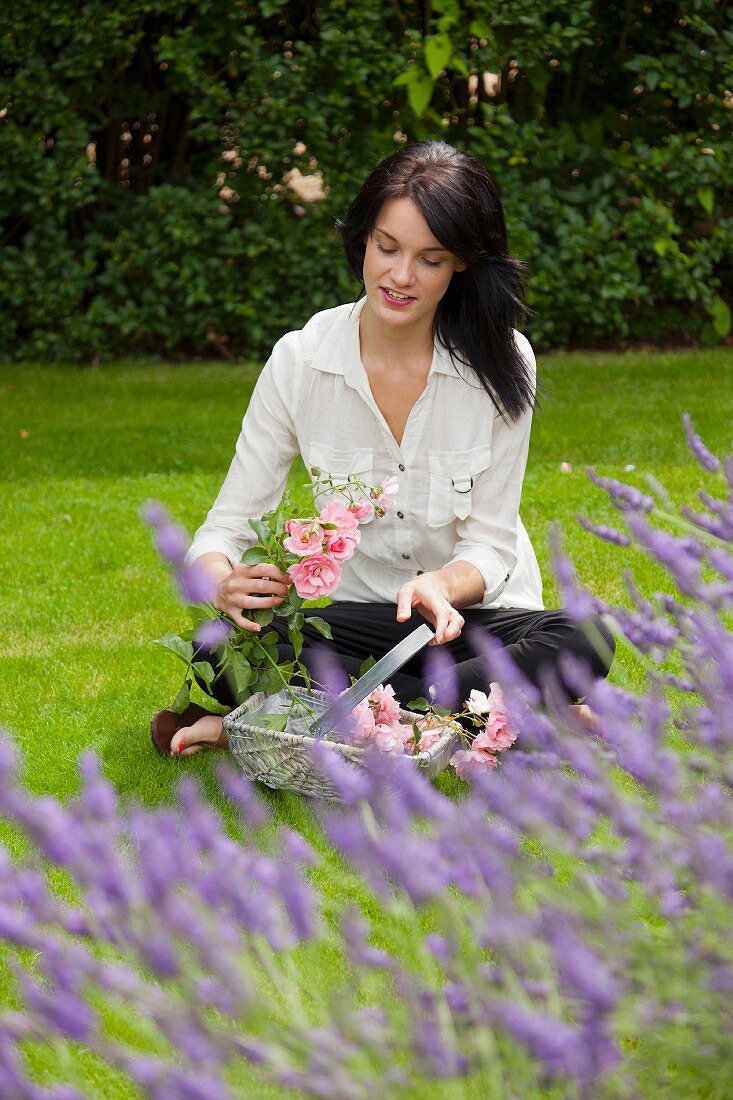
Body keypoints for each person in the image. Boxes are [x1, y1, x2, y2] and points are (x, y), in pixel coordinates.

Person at [151, 141, 614, 757]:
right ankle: (496, 718)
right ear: (362, 240)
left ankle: (303, 722)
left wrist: (443, 585)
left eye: (430, 258)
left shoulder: (505, 361)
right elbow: (224, 528)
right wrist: (222, 584)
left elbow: (493, 543)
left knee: (587, 637)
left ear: (461, 266)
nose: (399, 276)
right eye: (386, 247)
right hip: (360, 621)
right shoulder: (300, 360)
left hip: (468, 620)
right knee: (218, 650)